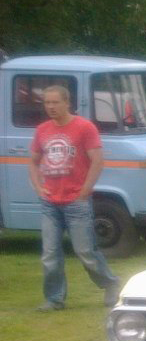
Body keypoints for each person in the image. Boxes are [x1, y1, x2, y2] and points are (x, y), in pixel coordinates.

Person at [28, 85, 119, 311]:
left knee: (85, 251)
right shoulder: (42, 130)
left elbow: (97, 160)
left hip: (76, 201)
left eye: (55, 102)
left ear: (67, 103)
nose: (50, 107)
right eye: (47, 103)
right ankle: (54, 298)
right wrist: (39, 188)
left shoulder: (84, 127)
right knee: (49, 253)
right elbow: (32, 161)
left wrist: (86, 190)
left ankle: (110, 284)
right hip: (50, 202)